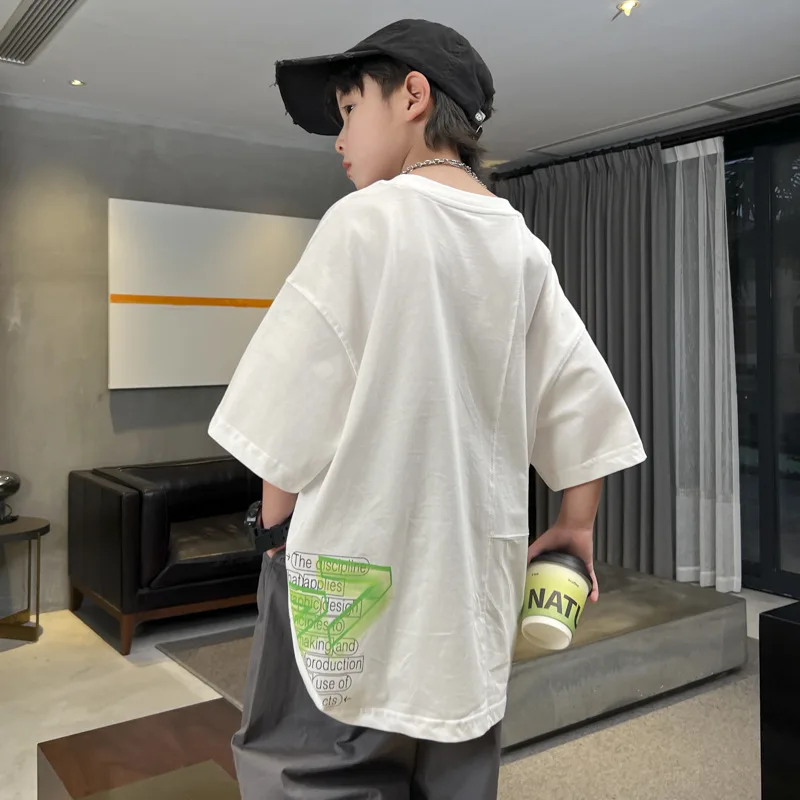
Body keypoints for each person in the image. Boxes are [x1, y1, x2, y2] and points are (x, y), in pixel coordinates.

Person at [208, 18, 646, 800]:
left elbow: (288, 418)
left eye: (349, 110)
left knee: (312, 769)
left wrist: (274, 540)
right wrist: (576, 526)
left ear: (412, 96)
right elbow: (580, 400)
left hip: (348, 572)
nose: (339, 138)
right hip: (470, 585)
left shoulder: (364, 221)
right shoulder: (521, 248)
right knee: (453, 766)